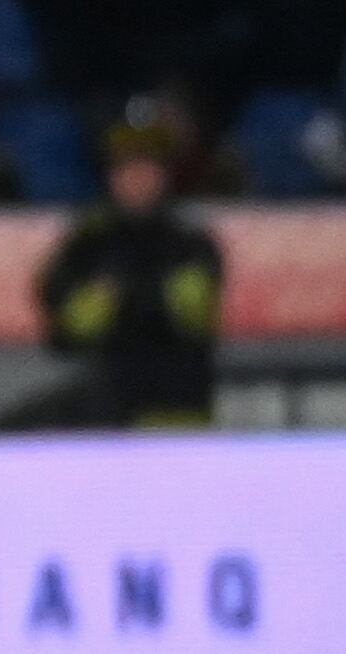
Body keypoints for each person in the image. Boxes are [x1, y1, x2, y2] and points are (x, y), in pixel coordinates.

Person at [38, 105, 222, 428]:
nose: (138, 178)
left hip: (175, 414)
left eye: (147, 165)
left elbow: (191, 321)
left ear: (165, 174)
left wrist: (116, 297)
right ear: (111, 175)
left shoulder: (192, 244)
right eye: (127, 166)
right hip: (101, 419)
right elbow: (64, 330)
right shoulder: (85, 244)